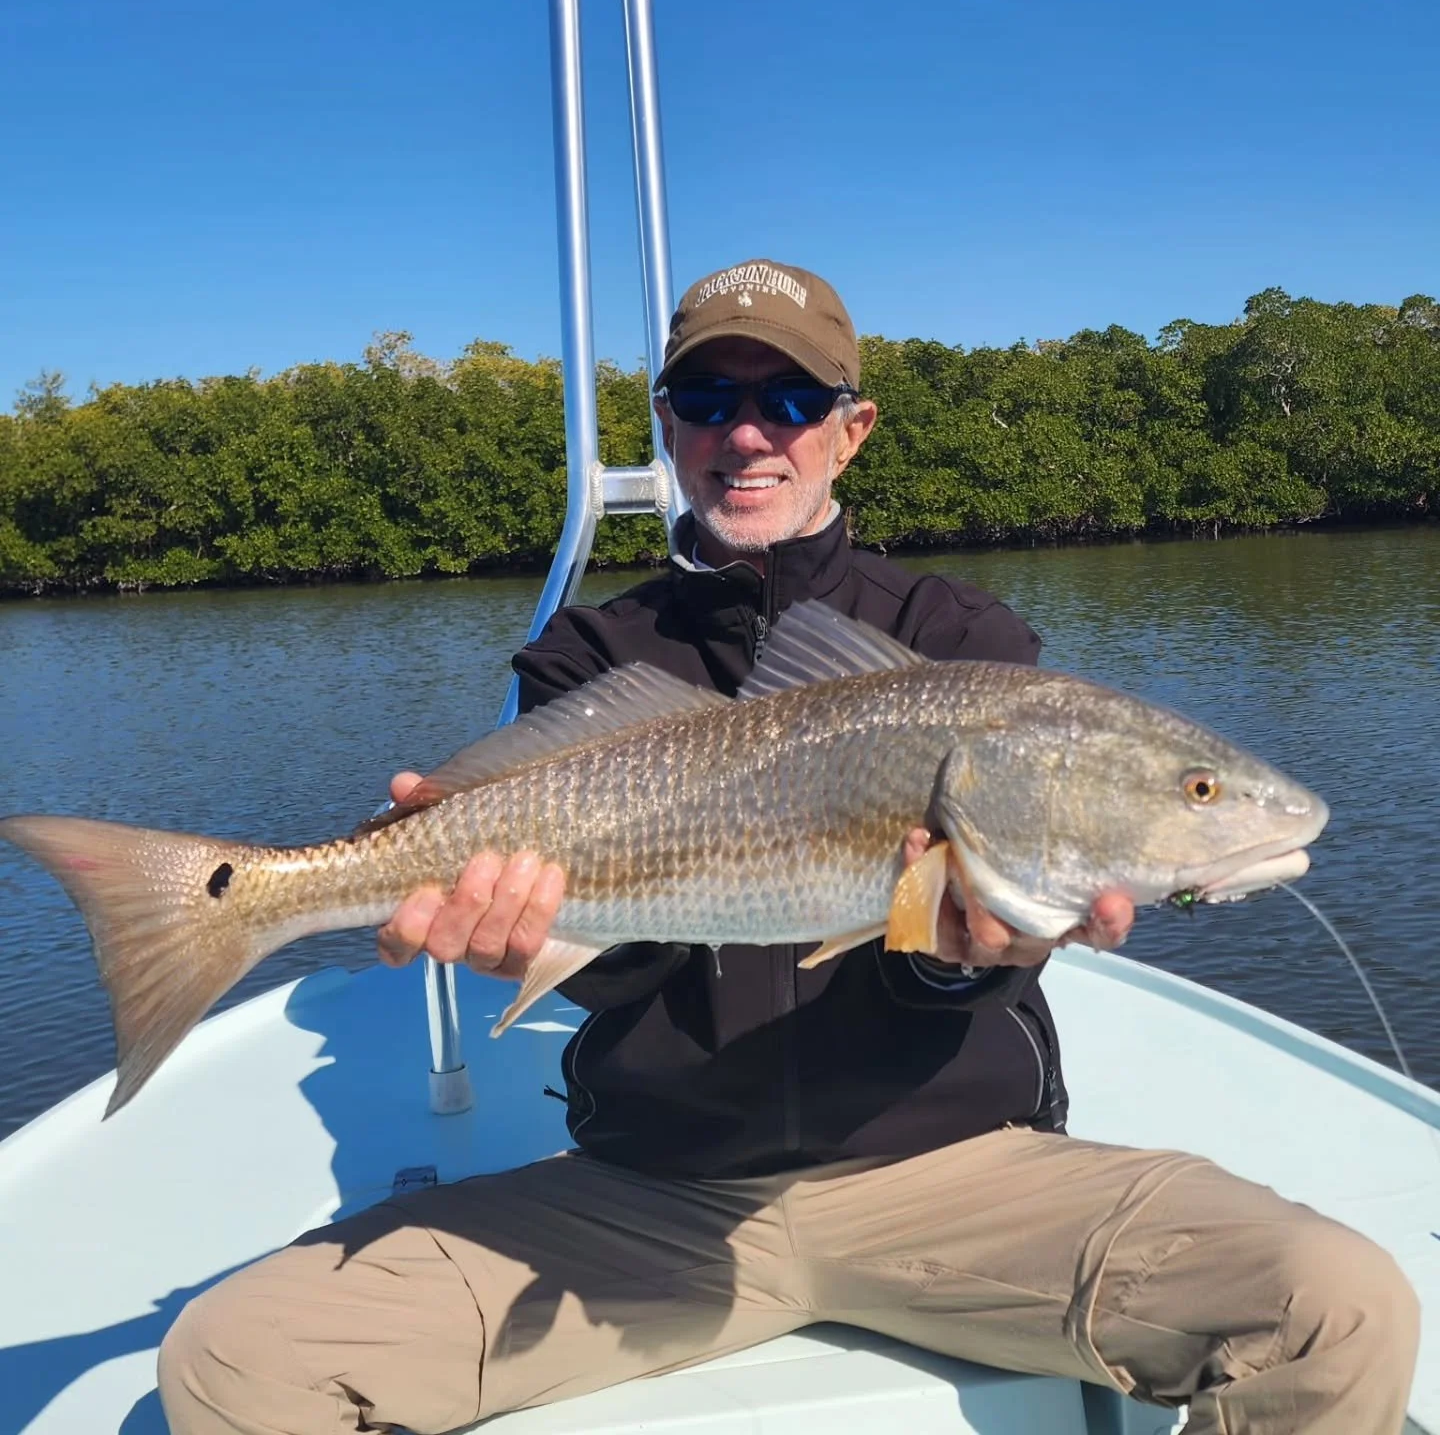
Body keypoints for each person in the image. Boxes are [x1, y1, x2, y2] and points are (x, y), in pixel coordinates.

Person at [158, 259, 1419, 1434]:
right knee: (233, 1361)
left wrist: (956, 953)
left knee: (1339, 1306)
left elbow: (966, 955)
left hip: (958, 1172)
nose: (746, 433)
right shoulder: (592, 657)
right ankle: (233, 905)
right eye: (708, 398)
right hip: (658, 1192)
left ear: (851, 427)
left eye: (791, 399)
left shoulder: (959, 638)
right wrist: (520, 941)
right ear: (667, 425)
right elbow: (615, 969)